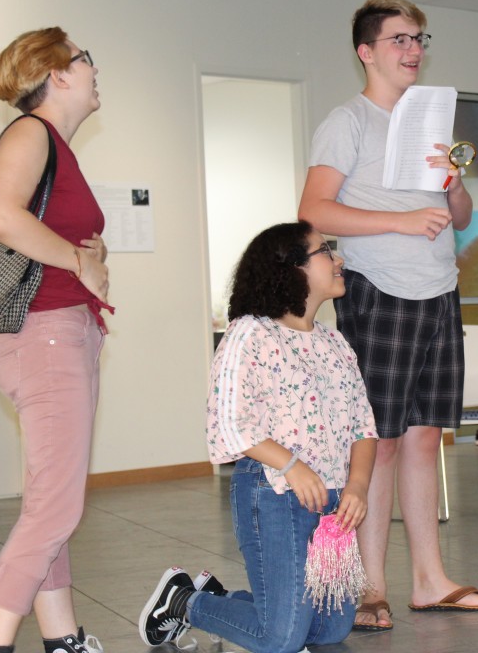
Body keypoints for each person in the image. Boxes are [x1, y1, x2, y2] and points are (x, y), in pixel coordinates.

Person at [298, 0, 478, 631]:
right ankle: (370, 588)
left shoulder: (428, 127)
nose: (413, 50)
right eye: (399, 40)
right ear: (367, 51)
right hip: (375, 291)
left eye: (419, 38)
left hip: (438, 291)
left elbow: (460, 219)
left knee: (424, 440)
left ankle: (429, 580)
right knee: (380, 445)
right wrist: (400, 220)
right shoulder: (348, 121)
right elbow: (312, 211)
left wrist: (453, 185)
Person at [139, 221, 378, 653]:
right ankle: (184, 602)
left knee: (330, 631)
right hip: (274, 492)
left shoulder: (335, 341)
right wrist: (292, 464)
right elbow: (228, 421)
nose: (339, 259)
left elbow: (364, 426)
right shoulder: (251, 333)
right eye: (326, 251)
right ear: (291, 268)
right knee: (282, 638)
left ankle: (225, 602)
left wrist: (357, 486)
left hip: (332, 506)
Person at [0, 28, 113, 653]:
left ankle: (62, 639)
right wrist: (78, 263)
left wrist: (91, 254)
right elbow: (2, 217)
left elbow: (48, 227)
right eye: (85, 59)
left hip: (61, 333)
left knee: (50, 501)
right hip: (47, 337)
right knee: (55, 509)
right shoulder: (30, 133)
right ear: (57, 74)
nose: (93, 67)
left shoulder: (57, 146)